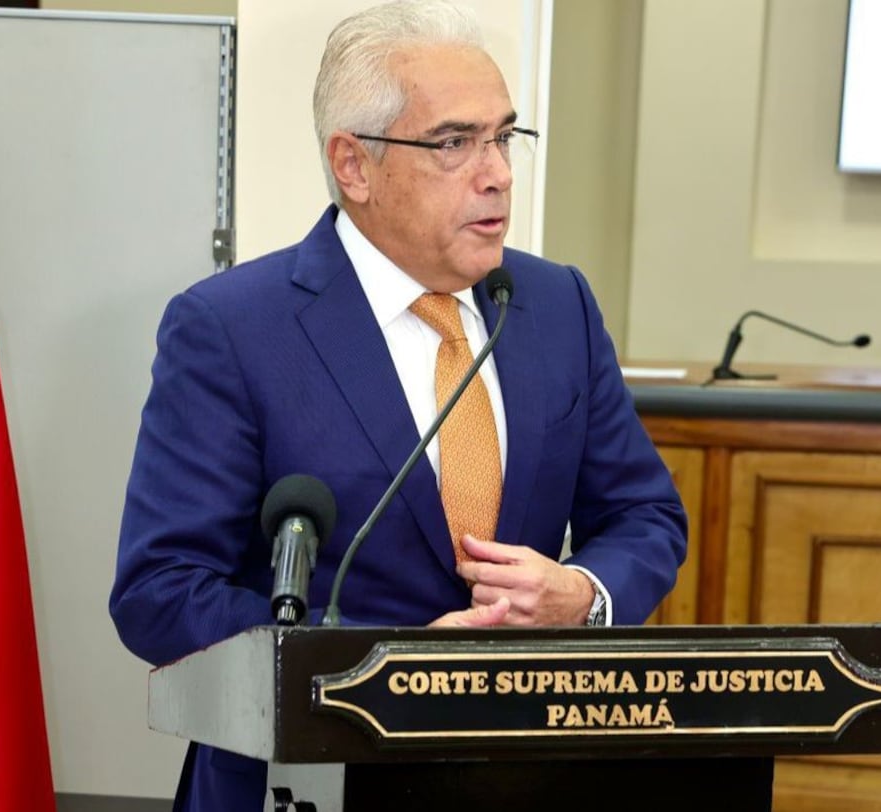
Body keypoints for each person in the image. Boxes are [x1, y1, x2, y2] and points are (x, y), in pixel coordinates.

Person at [109, 1, 687, 809]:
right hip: (306, 777)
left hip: (523, 774)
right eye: (455, 143)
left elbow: (644, 515)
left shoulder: (557, 305)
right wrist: (383, 667)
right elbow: (161, 590)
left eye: (503, 137)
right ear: (354, 165)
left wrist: (585, 595)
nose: (498, 173)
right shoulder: (233, 329)